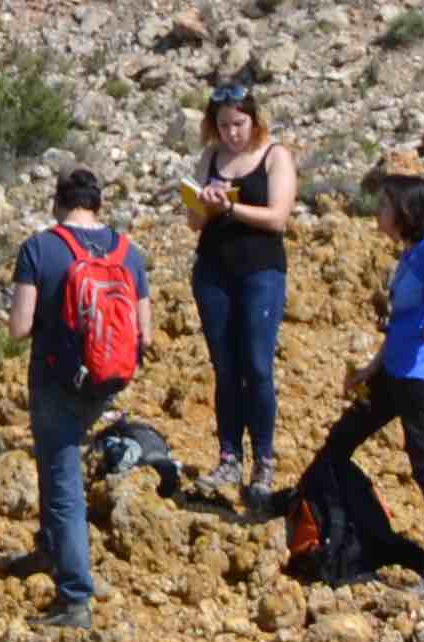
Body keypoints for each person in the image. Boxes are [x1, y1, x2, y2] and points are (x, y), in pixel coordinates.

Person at [303, 158, 424, 600]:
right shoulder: (410, 253)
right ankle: (358, 533)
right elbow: (401, 323)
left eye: (384, 205)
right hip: (394, 370)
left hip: (419, 375)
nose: (377, 213)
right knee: (337, 447)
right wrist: (370, 369)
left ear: (405, 210)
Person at [7, 167, 151, 629]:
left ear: (58, 203)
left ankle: (74, 596)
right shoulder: (129, 252)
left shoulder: (39, 248)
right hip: (108, 379)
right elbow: (145, 332)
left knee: (63, 477)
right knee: (57, 464)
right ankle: (51, 548)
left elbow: (19, 328)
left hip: (57, 380)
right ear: (98, 203)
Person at [175, 83, 294, 505]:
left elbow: (278, 217)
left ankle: (263, 458)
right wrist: (204, 203)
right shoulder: (210, 157)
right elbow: (194, 222)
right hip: (213, 271)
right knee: (224, 367)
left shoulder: (274, 156)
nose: (232, 133)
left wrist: (231, 207)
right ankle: (228, 455)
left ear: (254, 120)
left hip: (260, 271)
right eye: (223, 125)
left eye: (239, 124)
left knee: (258, 366)